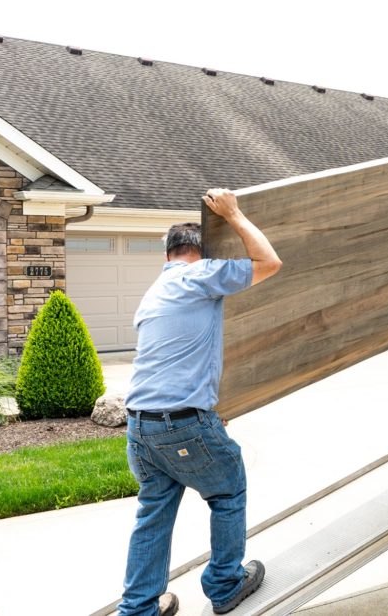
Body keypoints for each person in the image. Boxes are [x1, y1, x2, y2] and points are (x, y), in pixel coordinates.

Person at [118, 188, 282, 616]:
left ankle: (137, 608)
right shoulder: (198, 276)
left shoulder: (155, 291)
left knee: (153, 513)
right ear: (199, 253)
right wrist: (234, 213)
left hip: (140, 428)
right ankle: (225, 584)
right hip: (179, 424)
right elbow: (269, 263)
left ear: (167, 253)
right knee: (228, 492)